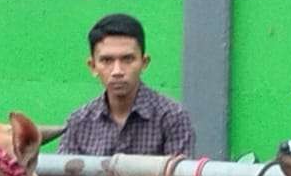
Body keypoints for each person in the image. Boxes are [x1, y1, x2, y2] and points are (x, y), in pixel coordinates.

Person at [56, 12, 195, 157]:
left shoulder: (172, 118)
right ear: (93, 66)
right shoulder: (78, 122)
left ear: (144, 62)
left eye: (127, 59)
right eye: (107, 60)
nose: (117, 71)